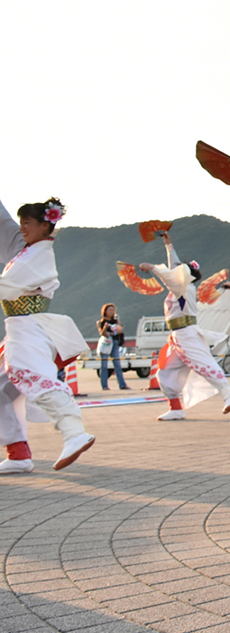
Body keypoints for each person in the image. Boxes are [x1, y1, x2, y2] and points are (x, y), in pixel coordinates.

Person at [0, 197, 95, 472]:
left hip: (28, 329)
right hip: (19, 328)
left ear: (45, 226)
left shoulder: (38, 255)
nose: (23, 228)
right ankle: (18, 453)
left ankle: (74, 432)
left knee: (33, 379)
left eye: (28, 223)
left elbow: (7, 286)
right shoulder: (27, 252)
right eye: (22, 223)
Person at [138, 230, 230, 421]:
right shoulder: (182, 285)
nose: (175, 271)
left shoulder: (183, 287)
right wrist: (168, 244)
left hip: (187, 333)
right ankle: (176, 408)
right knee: (165, 371)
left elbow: (172, 274)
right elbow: (174, 269)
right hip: (178, 336)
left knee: (204, 364)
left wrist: (153, 267)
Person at [96, 303, 129, 391]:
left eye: (113, 310)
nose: (112, 312)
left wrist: (112, 333)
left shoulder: (115, 321)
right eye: (110, 310)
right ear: (105, 311)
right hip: (106, 343)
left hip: (114, 342)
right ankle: (104, 385)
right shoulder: (101, 322)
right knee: (104, 365)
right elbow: (102, 333)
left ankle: (122, 385)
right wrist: (105, 328)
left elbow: (120, 331)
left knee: (117, 364)